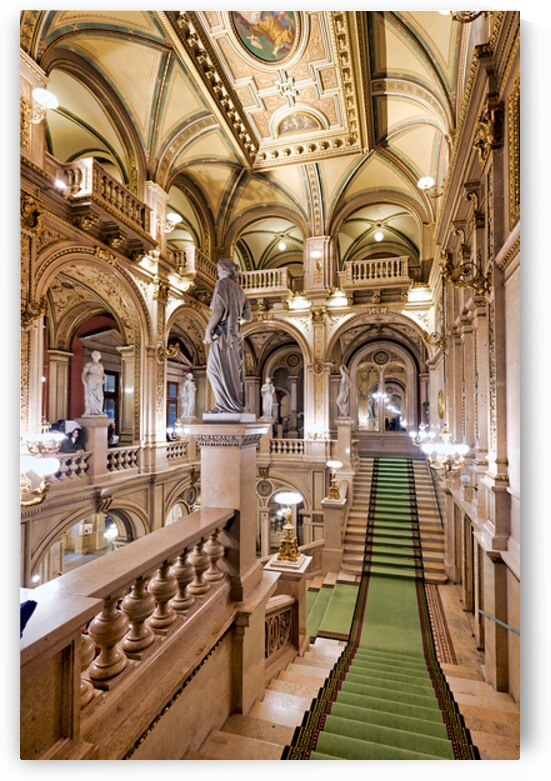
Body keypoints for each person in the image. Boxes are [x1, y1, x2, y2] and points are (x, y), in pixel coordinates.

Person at [204, 258, 252, 413]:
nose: (217, 272)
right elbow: (248, 316)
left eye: (218, 269)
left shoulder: (222, 284)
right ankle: (232, 405)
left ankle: (224, 406)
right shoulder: (240, 291)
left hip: (223, 335)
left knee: (213, 370)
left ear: (224, 269)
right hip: (235, 336)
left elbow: (218, 310)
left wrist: (208, 330)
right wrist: (235, 313)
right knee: (232, 371)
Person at [81, 350, 105, 416]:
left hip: (99, 382)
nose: (97, 356)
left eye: (98, 354)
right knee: (91, 396)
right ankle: (89, 411)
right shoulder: (89, 364)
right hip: (91, 381)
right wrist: (83, 381)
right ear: (93, 356)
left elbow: (102, 374)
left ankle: (99, 411)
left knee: (100, 397)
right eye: (95, 354)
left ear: (100, 356)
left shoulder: (101, 365)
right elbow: (84, 373)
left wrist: (104, 379)